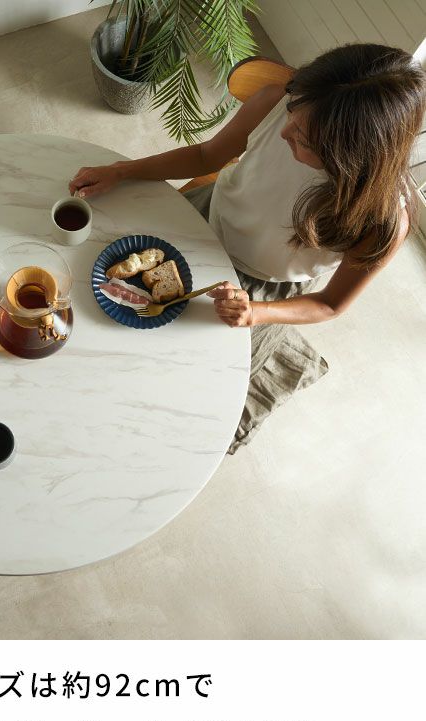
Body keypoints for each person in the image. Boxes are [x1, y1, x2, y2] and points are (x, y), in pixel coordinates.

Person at [68, 43, 426, 452]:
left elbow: (329, 305)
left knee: (178, 385)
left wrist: (256, 313)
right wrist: (121, 171)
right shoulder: (275, 100)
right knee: (100, 299)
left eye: (304, 140)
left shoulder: (382, 221)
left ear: (348, 159)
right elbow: (207, 155)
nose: (285, 132)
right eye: (293, 113)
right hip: (203, 219)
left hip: (262, 286)